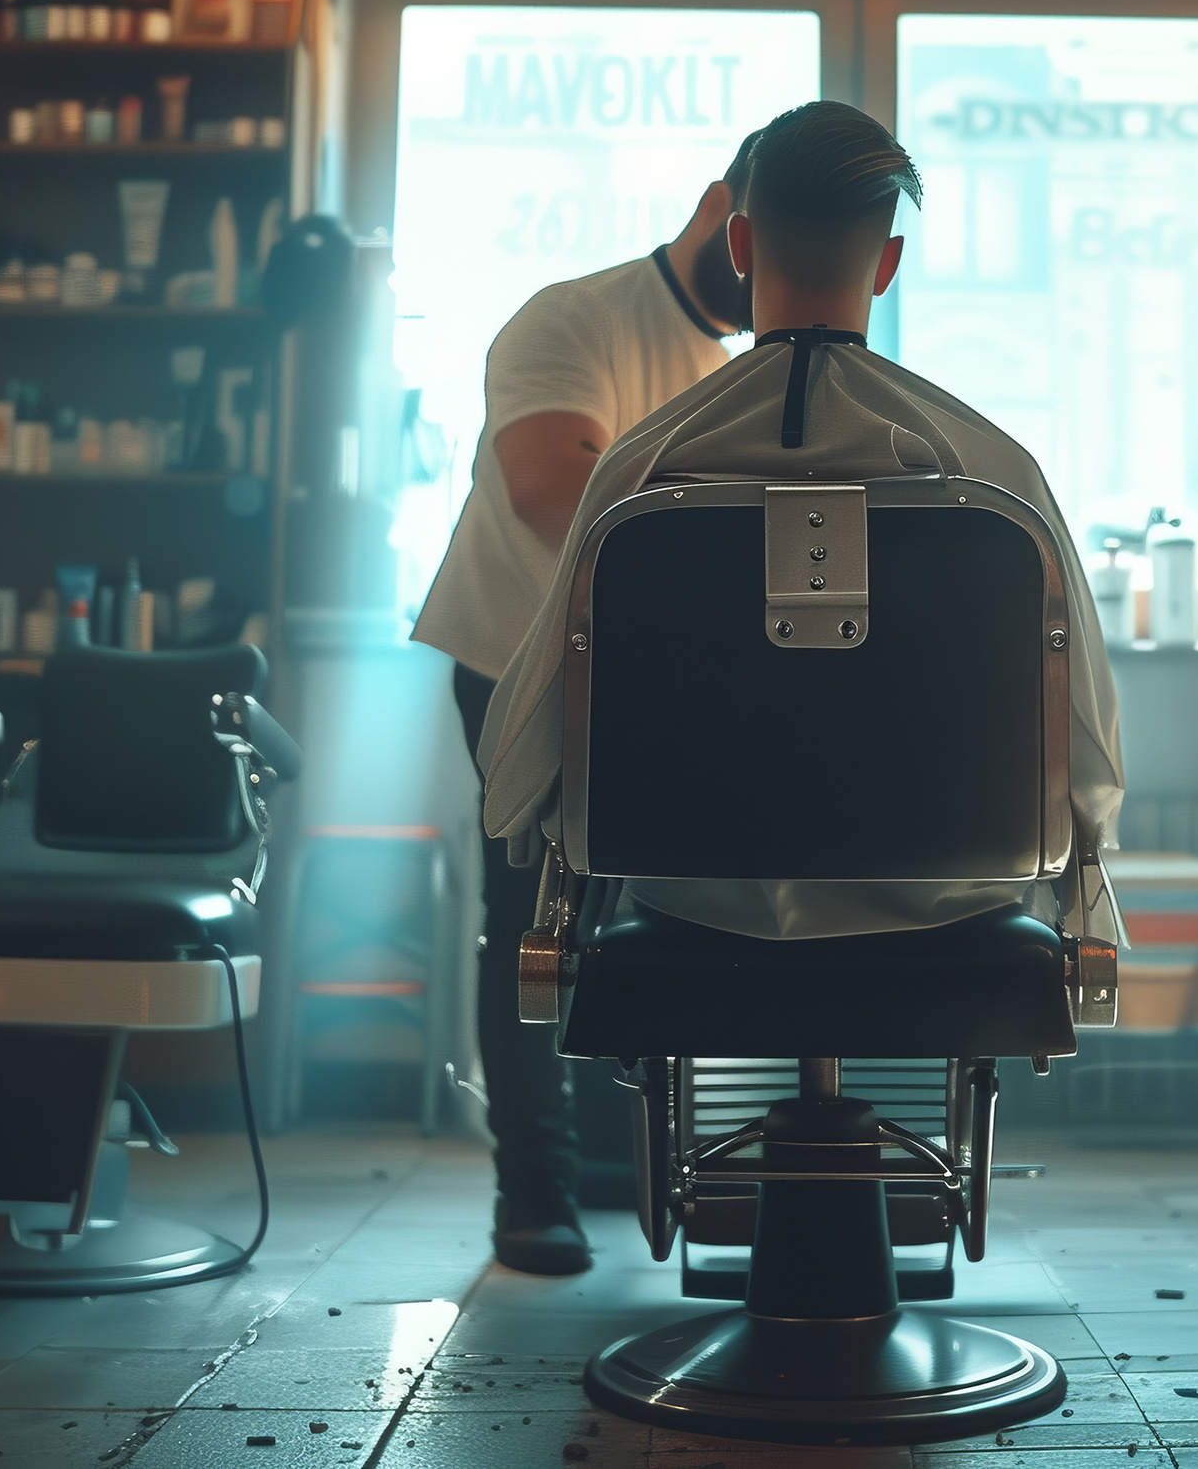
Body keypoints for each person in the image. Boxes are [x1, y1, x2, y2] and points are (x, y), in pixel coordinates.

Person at [475, 100, 1123, 943]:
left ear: (741, 246)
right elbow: (1087, 748)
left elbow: (522, 757)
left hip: (691, 916)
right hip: (951, 922)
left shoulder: (639, 474)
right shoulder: (997, 476)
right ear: (887, 265)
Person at [411, 134, 761, 1276]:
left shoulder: (741, 366)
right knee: (534, 922)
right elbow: (551, 487)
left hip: (660, 672)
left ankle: (632, 1162)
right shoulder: (573, 320)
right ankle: (535, 1190)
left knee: (656, 915)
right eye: (759, 250)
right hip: (520, 664)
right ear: (717, 208)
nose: (768, 284)